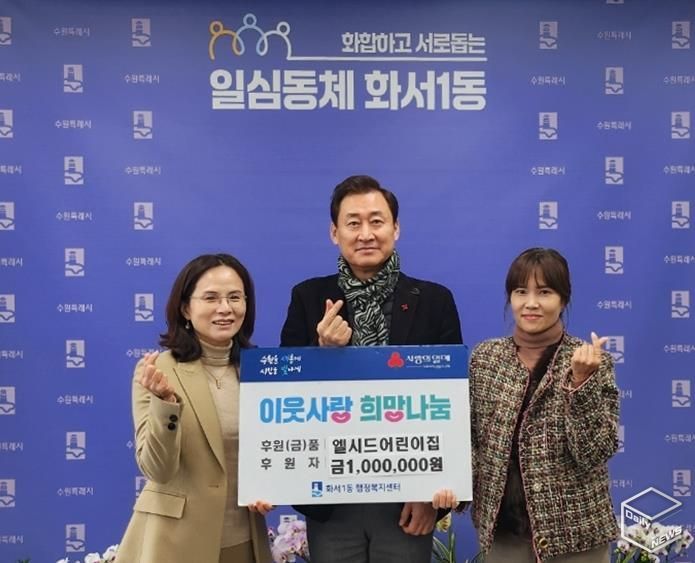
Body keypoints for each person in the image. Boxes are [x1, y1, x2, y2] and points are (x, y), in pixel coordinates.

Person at [280, 175, 463, 563]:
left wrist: (429, 494)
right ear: (335, 232)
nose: (366, 233)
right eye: (353, 223)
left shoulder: (434, 301)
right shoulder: (308, 297)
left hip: (406, 497)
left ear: (396, 228)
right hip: (331, 494)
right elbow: (283, 391)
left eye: (376, 221)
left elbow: (452, 403)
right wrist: (321, 351)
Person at [433, 247, 619, 562]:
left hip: (576, 537)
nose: (531, 303)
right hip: (504, 535)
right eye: (521, 292)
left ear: (563, 299)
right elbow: (471, 440)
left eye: (544, 292)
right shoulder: (486, 358)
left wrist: (581, 383)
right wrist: (453, 486)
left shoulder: (590, 361)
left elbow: (593, 452)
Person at [118, 253, 273, 563]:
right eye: (211, 298)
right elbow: (158, 470)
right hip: (175, 543)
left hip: (244, 541)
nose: (225, 308)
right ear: (186, 308)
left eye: (235, 297)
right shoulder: (158, 371)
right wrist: (165, 404)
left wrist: (272, 487)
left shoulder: (261, 371)